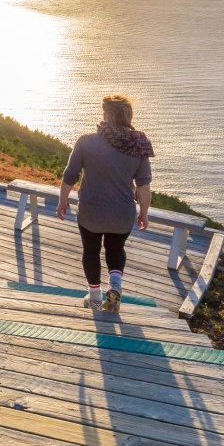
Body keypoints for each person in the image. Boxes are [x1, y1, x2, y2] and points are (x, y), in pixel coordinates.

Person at [55, 94, 153, 312]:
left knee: (90, 251)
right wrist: (143, 213)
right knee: (115, 249)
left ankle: (95, 297)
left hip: (91, 212)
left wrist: (62, 201)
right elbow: (144, 185)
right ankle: (115, 287)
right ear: (128, 116)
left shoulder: (86, 142)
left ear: (106, 115)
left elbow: (70, 175)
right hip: (122, 214)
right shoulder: (138, 145)